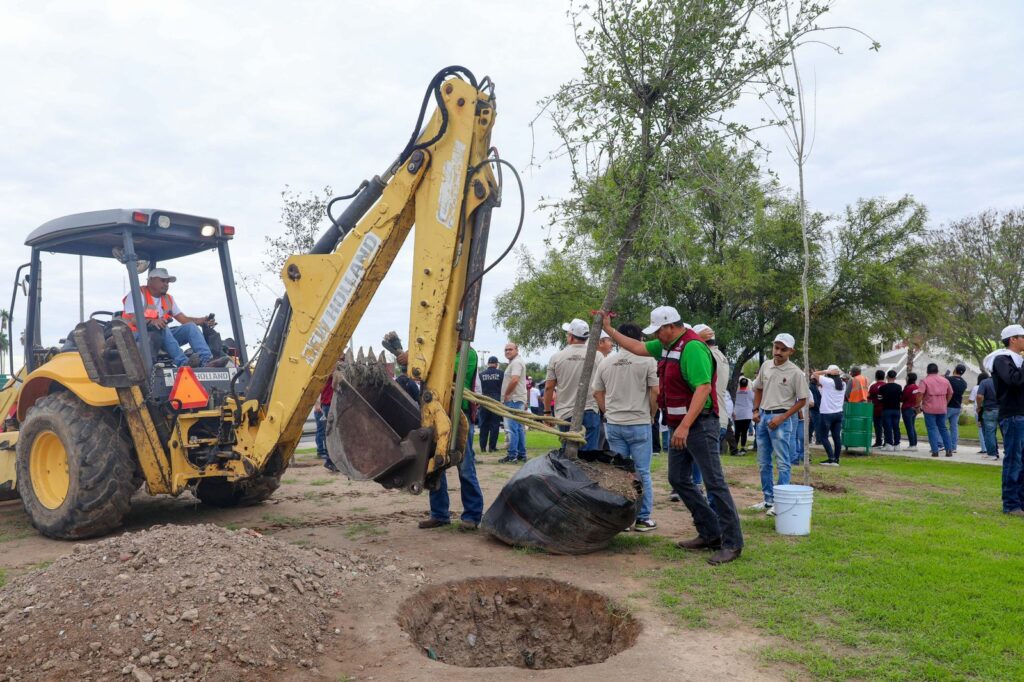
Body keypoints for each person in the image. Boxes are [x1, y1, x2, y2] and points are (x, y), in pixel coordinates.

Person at [602, 306, 743, 565]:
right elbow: (637, 348)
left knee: (714, 483)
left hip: (699, 425)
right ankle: (710, 532)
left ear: (670, 326)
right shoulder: (667, 346)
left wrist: (685, 426)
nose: (656, 336)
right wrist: (609, 330)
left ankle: (732, 543)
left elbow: (702, 389)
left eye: (658, 330)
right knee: (677, 478)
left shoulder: (692, 348)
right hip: (680, 424)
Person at [592, 323, 660, 532]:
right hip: (639, 422)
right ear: (639, 338)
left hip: (614, 423)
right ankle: (643, 517)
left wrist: (608, 412)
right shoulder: (648, 360)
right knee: (642, 471)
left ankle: (622, 519)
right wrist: (651, 414)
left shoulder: (606, 362)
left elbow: (597, 392)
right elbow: (655, 392)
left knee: (620, 473)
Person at [420, 346, 484, 530]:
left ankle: (472, 515)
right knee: (435, 464)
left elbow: (448, 371)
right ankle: (439, 514)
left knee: (465, 466)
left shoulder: (468, 354)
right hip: (436, 414)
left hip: (459, 416)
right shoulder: (439, 352)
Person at [122, 268, 228, 367]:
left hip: (164, 336)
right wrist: (153, 321)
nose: (166, 284)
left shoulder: (168, 299)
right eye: (162, 281)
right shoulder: (137, 294)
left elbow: (184, 319)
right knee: (163, 327)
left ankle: (207, 361)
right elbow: (133, 319)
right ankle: (184, 363)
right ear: (150, 280)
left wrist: (201, 321)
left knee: (190, 327)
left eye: (167, 282)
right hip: (138, 336)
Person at [751, 333, 808, 515]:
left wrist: (783, 417)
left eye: (783, 349)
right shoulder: (766, 366)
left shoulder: (796, 373)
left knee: (783, 462)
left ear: (791, 351)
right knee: (763, 462)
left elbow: (802, 400)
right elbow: (758, 388)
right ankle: (768, 499)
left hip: (781, 420)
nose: (778, 352)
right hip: (763, 418)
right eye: (776, 348)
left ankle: (781, 502)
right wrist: (755, 410)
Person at [545, 319, 603, 451]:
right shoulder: (597, 356)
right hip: (590, 411)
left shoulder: (556, 357)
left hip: (565, 413)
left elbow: (549, 387)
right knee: (589, 456)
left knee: (568, 455)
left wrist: (547, 412)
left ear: (571, 336)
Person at [984, 324, 1024, 515]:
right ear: (1013, 339)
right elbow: (1014, 380)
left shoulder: (1018, 360)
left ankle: (1020, 502)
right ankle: (1011, 503)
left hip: (1021, 414)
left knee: (1021, 460)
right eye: (1022, 337)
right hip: (1013, 414)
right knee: (1014, 459)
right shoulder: (1001, 359)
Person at [498, 343, 528, 463]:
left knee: (512, 429)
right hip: (517, 398)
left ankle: (512, 455)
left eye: (510, 349)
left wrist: (506, 394)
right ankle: (521, 454)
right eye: (505, 350)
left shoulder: (516, 362)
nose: (507, 351)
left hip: (513, 399)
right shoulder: (515, 362)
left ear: (517, 350)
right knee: (519, 428)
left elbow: (515, 379)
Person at [918, 362, 954, 457]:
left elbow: (920, 393)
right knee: (943, 428)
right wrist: (946, 402)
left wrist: (918, 405)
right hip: (942, 408)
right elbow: (950, 393)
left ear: (927, 371)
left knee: (932, 429)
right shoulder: (945, 380)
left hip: (929, 408)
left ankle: (935, 451)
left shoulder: (924, 381)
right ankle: (949, 450)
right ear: (937, 370)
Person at [812, 365, 845, 466]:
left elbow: (814, 374)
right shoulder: (843, 384)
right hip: (839, 413)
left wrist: (827, 371)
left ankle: (831, 458)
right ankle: (836, 459)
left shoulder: (828, 382)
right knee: (836, 437)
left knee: (823, 437)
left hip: (827, 413)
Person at [478, 356, 504, 453]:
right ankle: (492, 447)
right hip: (496, 400)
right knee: (494, 424)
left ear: (488, 363)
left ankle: (482, 447)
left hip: (484, 400)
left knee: (484, 424)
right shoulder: (501, 374)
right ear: (497, 364)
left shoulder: (481, 375)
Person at [878, 370, 904, 451]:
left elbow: (879, 398)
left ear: (887, 377)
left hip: (886, 409)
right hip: (896, 409)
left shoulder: (882, 388)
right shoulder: (899, 387)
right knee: (896, 427)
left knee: (887, 427)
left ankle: (889, 444)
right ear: (895, 377)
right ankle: (897, 444)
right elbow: (901, 398)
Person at [977, 371, 1000, 461]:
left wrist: (979, 406)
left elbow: (979, 396)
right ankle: (1009, 453)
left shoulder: (985, 382)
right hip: (1004, 410)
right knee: (1007, 433)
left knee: (989, 433)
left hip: (989, 409)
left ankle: (992, 453)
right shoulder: (1005, 382)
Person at [946, 364, 968, 454]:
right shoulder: (964, 383)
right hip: (957, 406)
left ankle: (943, 444)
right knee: (954, 427)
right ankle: (953, 446)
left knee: (942, 425)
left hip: (948, 405)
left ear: (955, 369)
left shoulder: (949, 379)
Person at [901, 372, 921, 451]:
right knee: (912, 427)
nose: (906, 378)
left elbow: (902, 398)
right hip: (914, 409)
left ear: (909, 378)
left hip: (907, 408)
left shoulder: (908, 388)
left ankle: (912, 445)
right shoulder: (917, 387)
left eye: (907, 377)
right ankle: (914, 444)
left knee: (909, 427)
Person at [733, 377, 754, 454]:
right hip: (747, 414)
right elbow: (754, 401)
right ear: (747, 384)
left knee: (737, 431)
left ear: (740, 384)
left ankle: (735, 447)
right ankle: (743, 447)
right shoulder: (751, 393)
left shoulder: (736, 392)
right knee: (744, 432)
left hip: (737, 414)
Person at [868, 370, 886, 448]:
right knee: (886, 426)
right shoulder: (886, 385)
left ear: (876, 377)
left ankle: (878, 441)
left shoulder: (873, 386)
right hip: (885, 409)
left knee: (877, 426)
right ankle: (887, 442)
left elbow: (869, 398)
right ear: (884, 376)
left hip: (876, 409)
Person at [808, 373, 822, 446]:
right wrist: (818, 408)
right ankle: (818, 440)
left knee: (812, 425)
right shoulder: (812, 387)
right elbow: (815, 400)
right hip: (815, 409)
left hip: (814, 408)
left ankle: (809, 438)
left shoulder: (813, 386)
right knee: (817, 424)